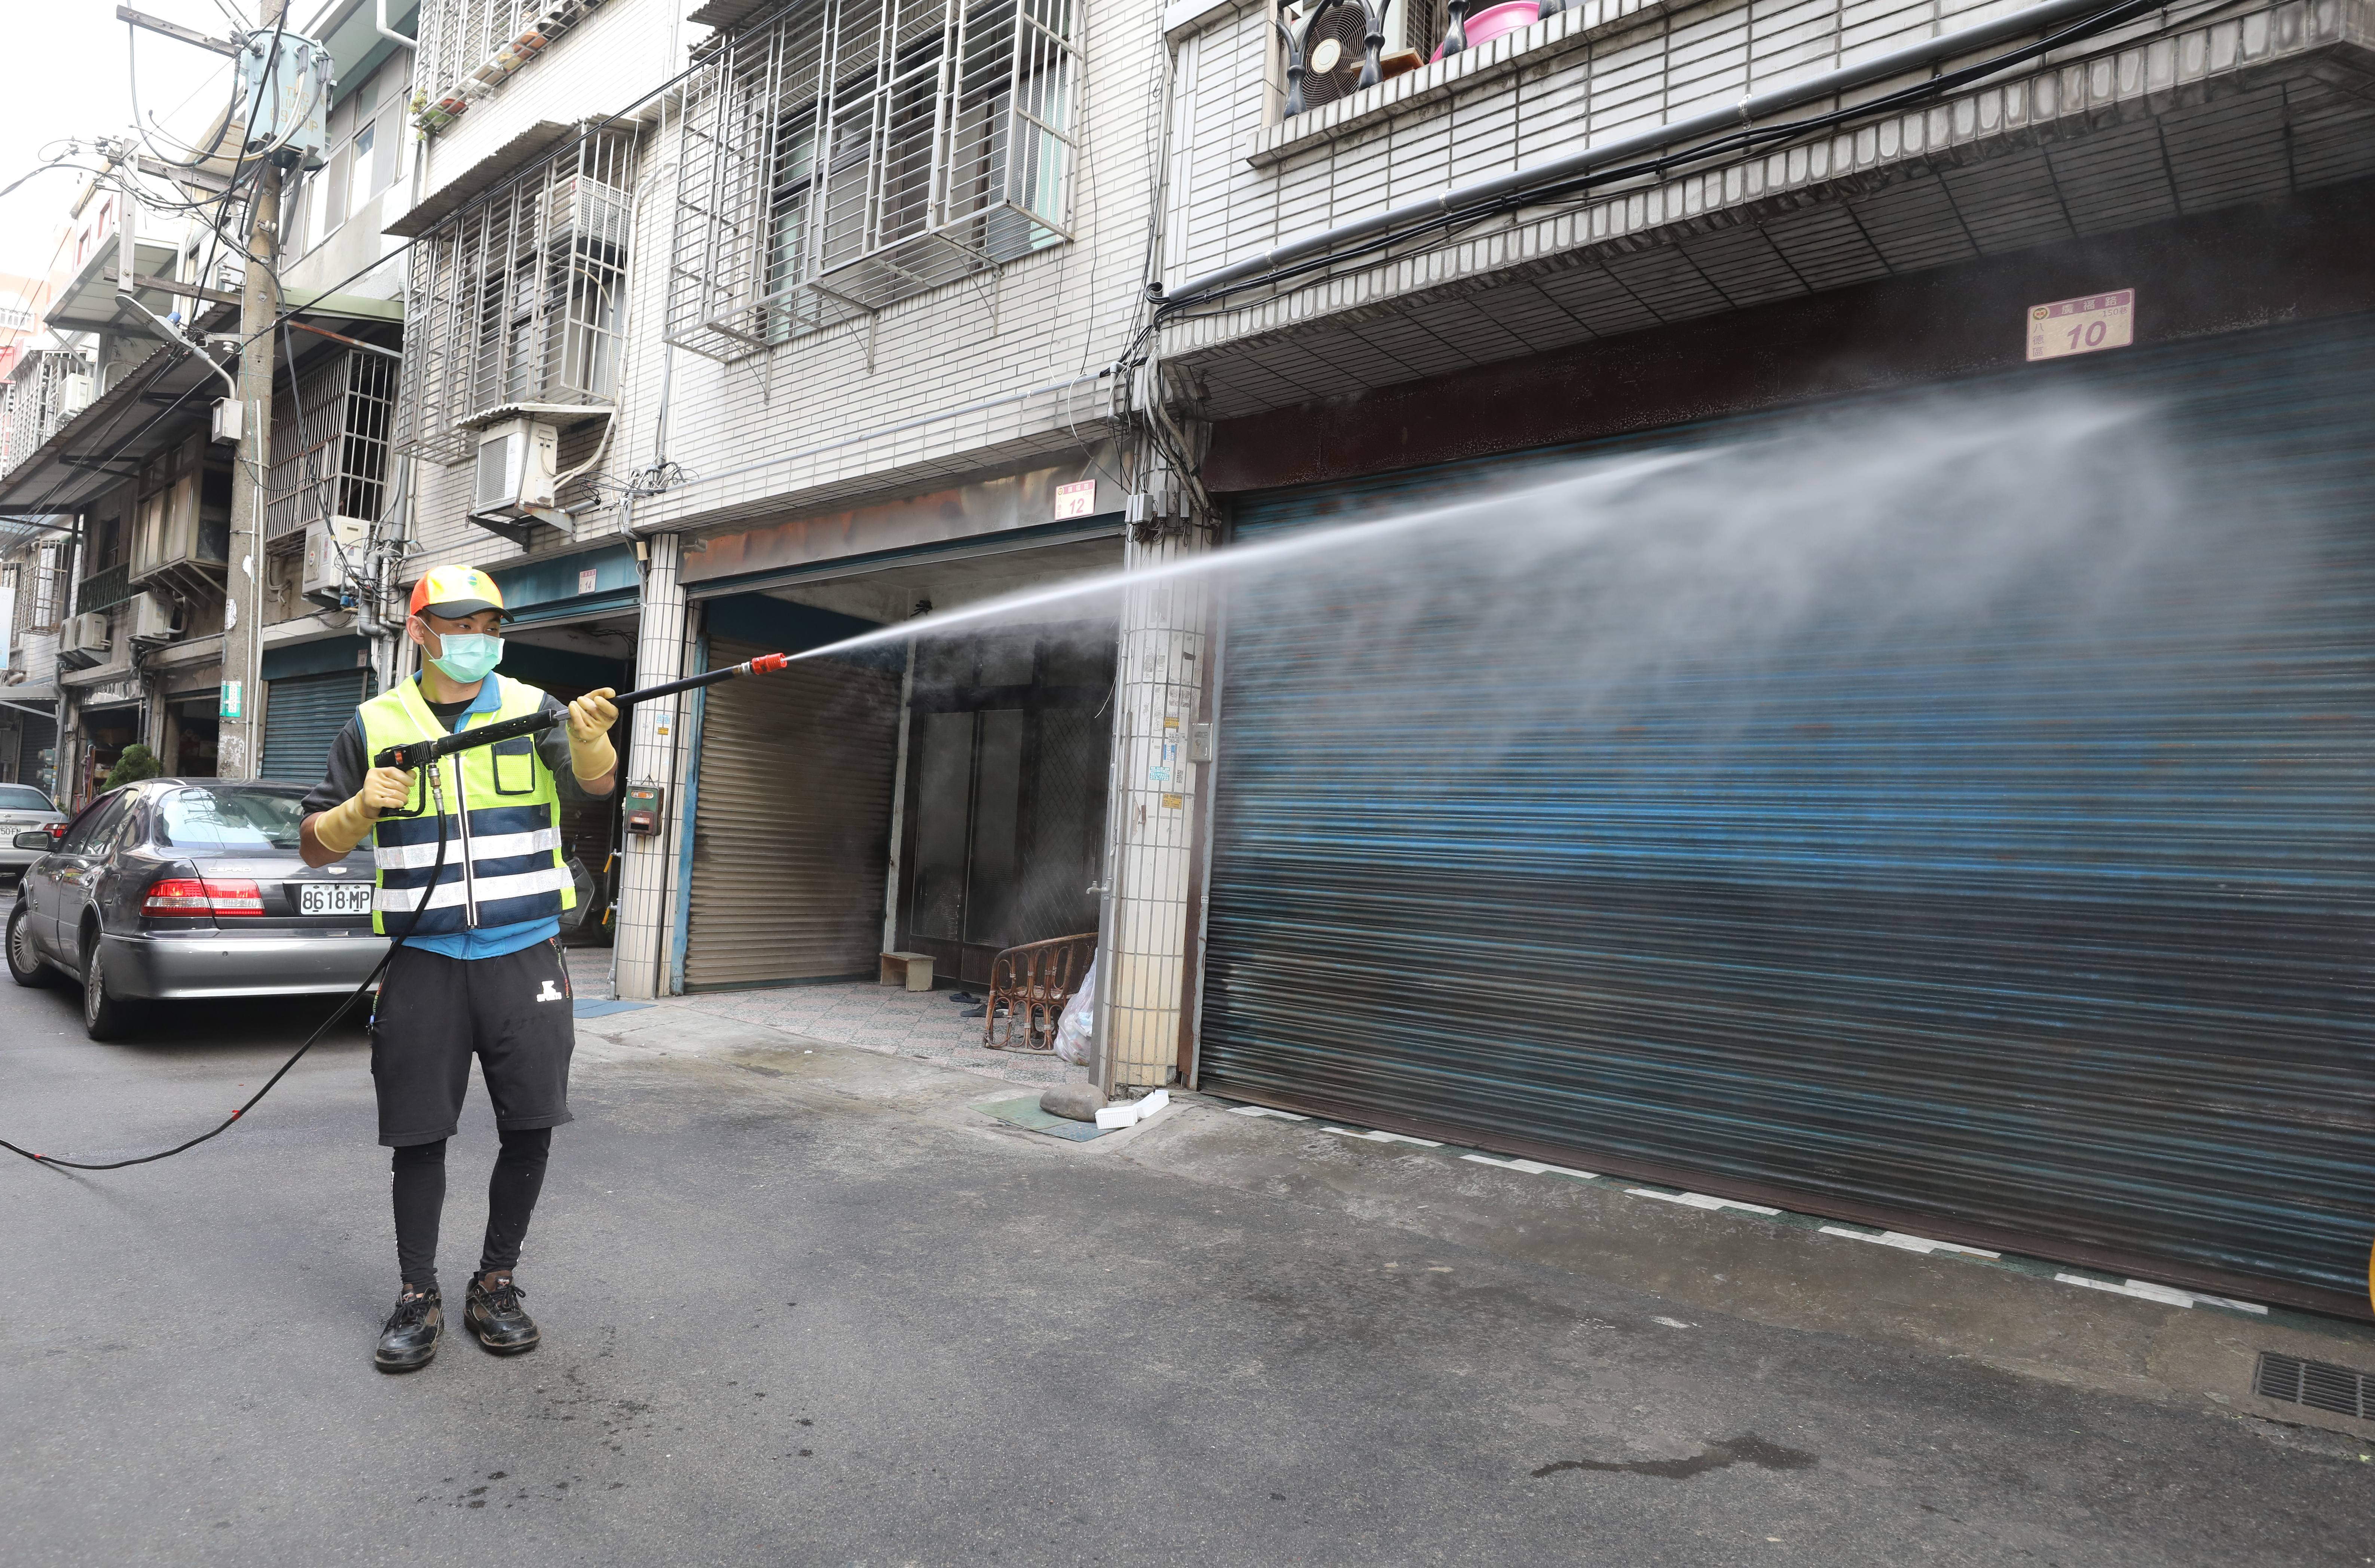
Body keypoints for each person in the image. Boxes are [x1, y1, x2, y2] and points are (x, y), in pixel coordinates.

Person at [299, 564, 619, 1373]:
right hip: (426, 959)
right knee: (420, 1134)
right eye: (458, 622)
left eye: (489, 623)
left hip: (526, 952)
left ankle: (496, 1281)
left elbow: (596, 778)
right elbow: (316, 842)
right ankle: (417, 1294)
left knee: (531, 1122)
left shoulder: (532, 707)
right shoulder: (373, 724)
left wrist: (590, 738)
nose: (476, 637)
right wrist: (363, 806)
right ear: (419, 630)